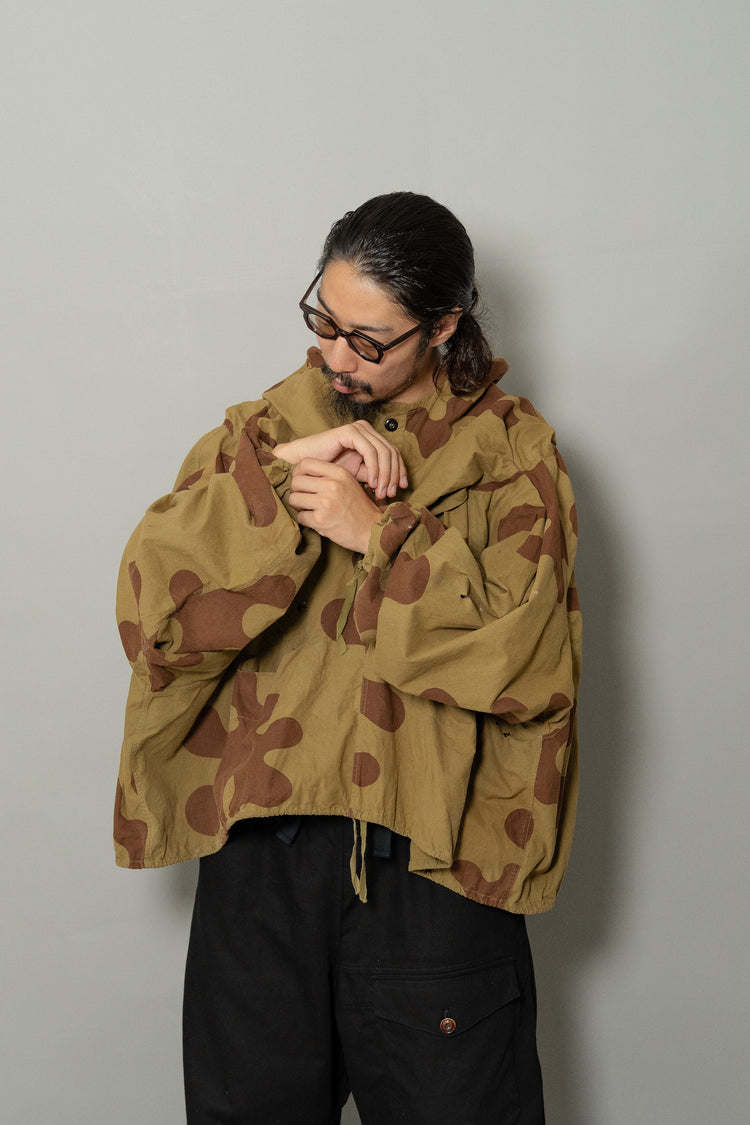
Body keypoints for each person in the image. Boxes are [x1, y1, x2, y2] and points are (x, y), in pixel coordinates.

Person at [114, 191, 581, 1124]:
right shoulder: (262, 432)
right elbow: (154, 618)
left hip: (435, 861)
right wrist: (282, 475)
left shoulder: (510, 452)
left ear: (443, 325)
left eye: (369, 339)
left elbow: (524, 662)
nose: (336, 356)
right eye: (324, 320)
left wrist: (379, 535)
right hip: (260, 858)